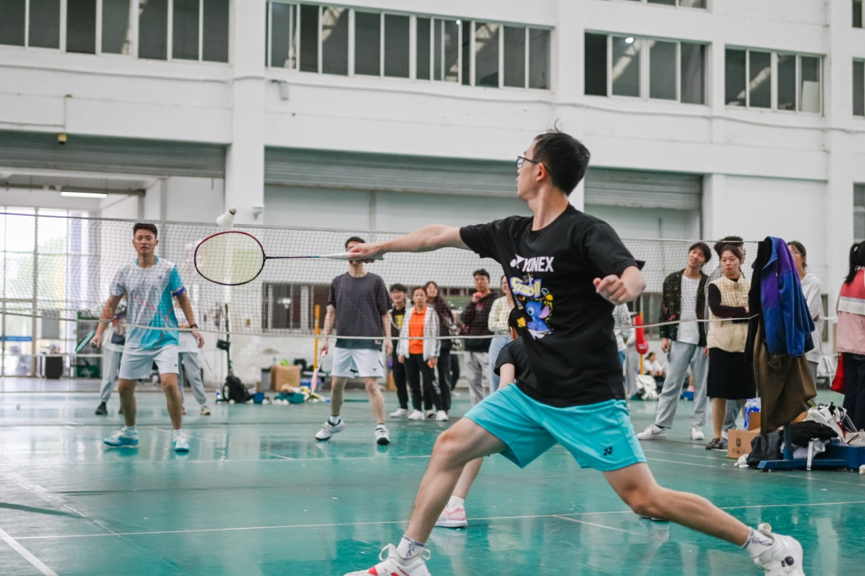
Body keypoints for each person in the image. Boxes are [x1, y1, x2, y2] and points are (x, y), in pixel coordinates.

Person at [342, 131, 803, 576]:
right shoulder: (509, 233)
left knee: (646, 499)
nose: (517, 169)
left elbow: (631, 272)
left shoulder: (585, 232)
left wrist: (625, 287)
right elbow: (437, 234)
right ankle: (407, 561)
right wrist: (380, 248)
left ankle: (770, 547)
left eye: (522, 161)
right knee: (449, 447)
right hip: (530, 391)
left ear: (540, 171)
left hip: (586, 397)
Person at [93, 223, 204, 453]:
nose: (144, 241)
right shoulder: (124, 272)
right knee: (124, 388)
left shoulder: (168, 269)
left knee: (169, 384)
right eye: (140, 237)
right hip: (136, 338)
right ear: (134, 242)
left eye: (148, 237)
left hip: (165, 337)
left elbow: (183, 299)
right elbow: (111, 304)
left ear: (156, 242)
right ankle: (130, 433)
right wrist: (99, 332)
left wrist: (193, 326)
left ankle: (178, 434)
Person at [435, 307, 529, 530]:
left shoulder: (511, 348)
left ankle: (454, 508)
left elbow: (505, 386)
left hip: (527, 415)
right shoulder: (554, 347)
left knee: (472, 447)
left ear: (511, 331)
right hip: (566, 414)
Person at [316, 236, 393, 446]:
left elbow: (385, 313)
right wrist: (325, 338)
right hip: (345, 340)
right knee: (336, 385)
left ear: (364, 252)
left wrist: (388, 338)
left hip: (369, 339)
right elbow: (331, 312)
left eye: (357, 249)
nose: (353, 252)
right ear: (345, 254)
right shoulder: (338, 282)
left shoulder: (375, 281)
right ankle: (334, 422)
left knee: (371, 385)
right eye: (350, 249)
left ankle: (381, 427)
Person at [637, 242, 711, 442]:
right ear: (689, 254)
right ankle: (660, 426)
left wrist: (710, 340)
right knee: (671, 385)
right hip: (678, 339)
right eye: (693, 252)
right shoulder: (672, 280)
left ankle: (697, 425)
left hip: (702, 342)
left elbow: (712, 313)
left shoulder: (708, 283)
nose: (695, 256)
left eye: (700, 255)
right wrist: (664, 336)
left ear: (704, 261)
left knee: (701, 386)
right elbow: (665, 310)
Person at [705, 244, 755, 451]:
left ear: (741, 261)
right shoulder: (714, 286)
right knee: (719, 394)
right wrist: (744, 311)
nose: (727, 263)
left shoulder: (751, 286)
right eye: (723, 260)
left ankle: (751, 434)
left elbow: (756, 312)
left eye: (732, 259)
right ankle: (718, 436)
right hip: (720, 345)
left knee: (747, 395)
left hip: (746, 346)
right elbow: (718, 310)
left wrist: (739, 313)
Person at [398, 287, 445, 421]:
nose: (419, 297)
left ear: (425, 297)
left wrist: (434, 354)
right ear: (413, 298)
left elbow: (436, 335)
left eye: (421, 295)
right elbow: (403, 333)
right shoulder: (408, 313)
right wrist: (400, 351)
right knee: (413, 384)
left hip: (425, 354)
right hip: (409, 354)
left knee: (431, 383)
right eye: (416, 295)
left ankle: (440, 410)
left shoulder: (431, 313)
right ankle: (417, 410)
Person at [459, 269, 497, 405]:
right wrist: (473, 303)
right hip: (470, 346)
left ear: (488, 281)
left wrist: (472, 323)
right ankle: (477, 409)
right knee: (473, 382)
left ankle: (495, 408)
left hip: (486, 347)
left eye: (482, 279)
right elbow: (464, 319)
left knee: (493, 380)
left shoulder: (494, 299)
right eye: (477, 280)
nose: (479, 282)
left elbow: (485, 320)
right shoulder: (474, 300)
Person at [838, 242, 865, 431]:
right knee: (863, 394)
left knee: (852, 392)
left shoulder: (847, 282)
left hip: (847, 348)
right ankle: (862, 434)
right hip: (862, 348)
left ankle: (848, 432)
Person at [788, 241, 824, 384]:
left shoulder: (813, 282)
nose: (789, 256)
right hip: (788, 347)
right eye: (786, 253)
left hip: (808, 347)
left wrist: (791, 316)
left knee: (808, 392)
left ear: (803, 258)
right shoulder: (783, 283)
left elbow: (808, 316)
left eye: (794, 253)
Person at [176, 302, 211, 416]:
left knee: (194, 376)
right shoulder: (170, 308)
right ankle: (179, 405)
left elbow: (194, 325)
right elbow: (169, 325)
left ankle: (204, 405)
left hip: (190, 347)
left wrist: (182, 326)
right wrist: (187, 326)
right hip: (174, 346)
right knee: (176, 379)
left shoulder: (192, 308)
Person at [424, 281, 454, 416]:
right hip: (427, 347)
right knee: (428, 377)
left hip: (443, 346)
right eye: (429, 288)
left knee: (444, 377)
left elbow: (450, 323)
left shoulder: (443, 306)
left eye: (434, 288)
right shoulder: (421, 306)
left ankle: (445, 408)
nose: (432, 290)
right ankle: (428, 407)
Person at [95, 303, 126, 415]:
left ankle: (124, 404)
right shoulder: (112, 301)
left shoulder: (137, 302)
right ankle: (103, 403)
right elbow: (97, 312)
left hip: (130, 346)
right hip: (111, 345)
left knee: (127, 378)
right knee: (108, 376)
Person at [486, 275, 515, 392]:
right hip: (499, 338)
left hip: (516, 340)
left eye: (508, 282)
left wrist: (511, 328)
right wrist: (510, 327)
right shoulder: (498, 302)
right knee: (494, 369)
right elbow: (491, 324)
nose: (505, 285)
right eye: (503, 283)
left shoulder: (521, 302)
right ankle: (495, 397)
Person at [389, 284, 410, 418]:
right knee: (398, 377)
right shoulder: (389, 311)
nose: (396, 295)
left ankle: (423, 407)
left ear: (405, 294)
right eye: (394, 292)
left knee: (413, 378)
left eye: (399, 292)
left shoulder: (411, 309)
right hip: (396, 347)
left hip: (411, 346)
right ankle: (403, 406)